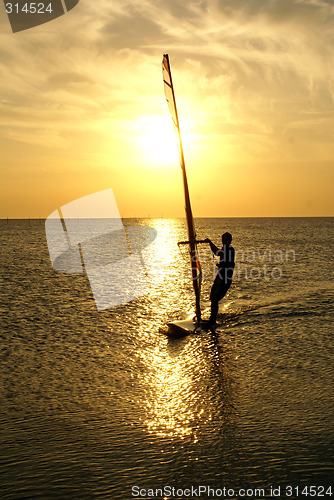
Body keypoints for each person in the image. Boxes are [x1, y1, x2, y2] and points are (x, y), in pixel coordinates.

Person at [204, 232, 235, 326]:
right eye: (223, 240)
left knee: (215, 298)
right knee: (213, 297)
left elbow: (217, 253)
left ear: (229, 241)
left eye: (226, 240)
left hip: (225, 278)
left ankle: (212, 320)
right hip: (220, 276)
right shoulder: (225, 249)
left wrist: (210, 242)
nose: (224, 242)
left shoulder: (230, 249)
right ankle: (212, 318)